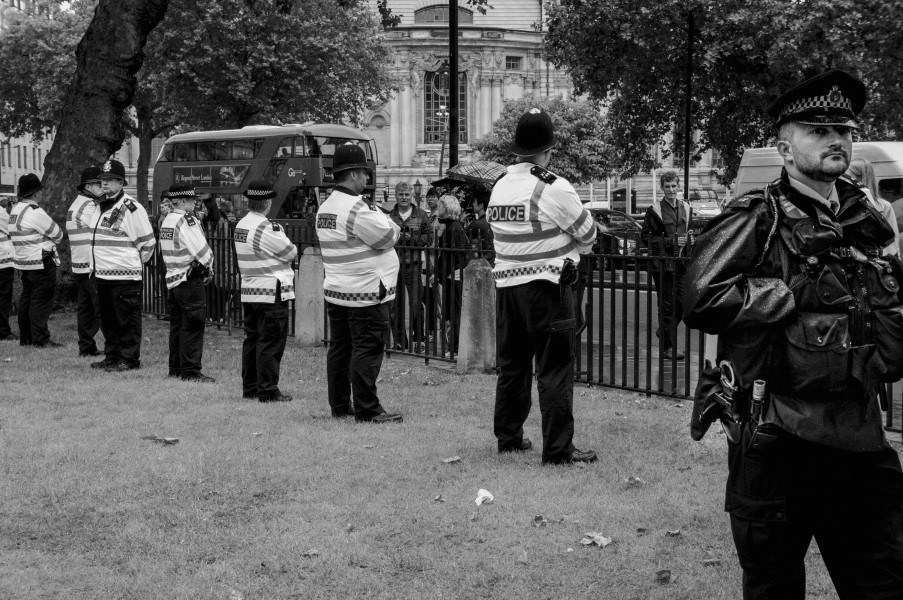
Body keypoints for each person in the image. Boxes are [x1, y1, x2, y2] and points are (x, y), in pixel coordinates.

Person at [684, 70, 903, 599]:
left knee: (883, 582)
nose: (836, 140)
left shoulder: (868, 219)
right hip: (778, 436)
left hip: (858, 432)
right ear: (784, 147)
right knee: (774, 585)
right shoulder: (758, 216)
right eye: (818, 129)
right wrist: (786, 293)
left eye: (844, 130)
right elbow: (698, 296)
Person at [487, 108, 599, 464]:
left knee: (513, 366)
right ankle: (557, 450)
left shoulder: (500, 186)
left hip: (507, 288)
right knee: (554, 368)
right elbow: (588, 233)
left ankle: (508, 438)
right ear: (548, 149)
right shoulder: (552, 185)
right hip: (548, 288)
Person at [316, 144, 403, 423]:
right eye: (364, 173)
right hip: (366, 292)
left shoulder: (325, 207)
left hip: (338, 291)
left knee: (341, 348)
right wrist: (389, 223)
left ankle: (340, 404)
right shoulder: (358, 208)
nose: (367, 179)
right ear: (353, 174)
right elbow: (387, 237)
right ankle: (367, 408)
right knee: (367, 348)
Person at [89, 159, 157, 371]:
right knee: (108, 321)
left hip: (124, 276)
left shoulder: (131, 208)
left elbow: (148, 243)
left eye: (110, 180)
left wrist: (131, 265)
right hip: (102, 274)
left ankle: (128, 359)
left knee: (127, 320)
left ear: (122, 183)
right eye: (103, 180)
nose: (105, 183)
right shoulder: (100, 206)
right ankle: (112, 356)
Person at [234, 181, 298, 402]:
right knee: (270, 342)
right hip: (271, 290)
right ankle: (268, 390)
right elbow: (290, 252)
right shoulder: (265, 227)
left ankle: (250, 388)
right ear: (267, 202)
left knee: (252, 339)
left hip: (250, 290)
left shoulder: (241, 225)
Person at [159, 184, 215, 383]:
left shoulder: (168, 220)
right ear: (182, 201)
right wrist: (209, 266)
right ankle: (191, 371)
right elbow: (202, 251)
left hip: (173, 281)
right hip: (189, 279)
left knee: (178, 326)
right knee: (193, 325)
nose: (195, 203)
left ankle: (175, 368)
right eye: (192, 200)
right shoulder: (186, 220)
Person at [641, 170, 691, 360]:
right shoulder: (655, 210)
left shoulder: (686, 207)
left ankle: (664, 331)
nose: (671, 189)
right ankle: (667, 348)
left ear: (679, 187)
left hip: (681, 264)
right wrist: (672, 242)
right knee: (667, 306)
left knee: (683, 303)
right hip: (662, 264)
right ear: (662, 188)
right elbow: (646, 238)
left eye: (673, 186)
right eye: (667, 186)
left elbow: (689, 231)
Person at [10, 173, 64, 347]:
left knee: (27, 299)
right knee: (40, 301)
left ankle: (26, 338)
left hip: (24, 263)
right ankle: (40, 339)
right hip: (41, 262)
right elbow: (58, 234)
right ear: (35, 193)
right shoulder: (35, 212)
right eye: (40, 190)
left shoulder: (15, 210)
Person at [65, 166, 104, 357]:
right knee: (100, 307)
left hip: (80, 264)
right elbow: (102, 228)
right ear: (89, 186)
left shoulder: (77, 204)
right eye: (99, 184)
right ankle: (113, 347)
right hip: (91, 265)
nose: (103, 187)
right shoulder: (90, 206)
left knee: (86, 309)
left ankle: (86, 347)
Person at [388, 181, 431, 352]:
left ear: (411, 196)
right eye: (401, 194)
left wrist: (411, 239)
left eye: (407, 195)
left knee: (416, 304)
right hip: (394, 265)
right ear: (396, 196)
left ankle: (418, 339)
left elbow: (430, 238)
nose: (404, 198)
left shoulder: (420, 215)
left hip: (413, 264)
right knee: (394, 306)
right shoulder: (390, 216)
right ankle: (400, 341)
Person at [431, 194, 468, 357]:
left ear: (447, 208)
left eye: (440, 206)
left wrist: (438, 274)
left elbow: (450, 257)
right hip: (451, 274)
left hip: (453, 274)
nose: (438, 209)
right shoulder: (452, 226)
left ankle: (455, 347)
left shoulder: (453, 228)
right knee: (451, 311)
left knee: (453, 312)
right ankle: (453, 346)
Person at [846, 157, 900, 256]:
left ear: (860, 178)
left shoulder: (884, 206)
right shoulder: (842, 205)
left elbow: (893, 241)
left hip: (877, 261)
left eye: (848, 176)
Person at [0, 194, 16, 341]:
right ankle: (3, 331)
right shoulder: (0, 213)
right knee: (3, 298)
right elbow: (12, 229)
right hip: (2, 261)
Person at [465, 189, 495, 265]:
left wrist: (461, 221)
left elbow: (463, 237)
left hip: (481, 261)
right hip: (492, 260)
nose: (473, 204)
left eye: (474, 202)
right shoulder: (492, 221)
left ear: (481, 205)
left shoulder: (476, 224)